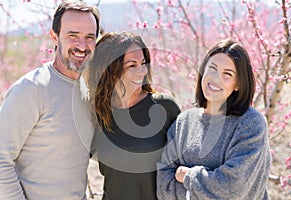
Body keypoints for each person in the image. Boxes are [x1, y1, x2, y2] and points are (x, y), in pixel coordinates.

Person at [0, 1, 100, 199]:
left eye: (89, 37)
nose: (82, 45)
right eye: (73, 35)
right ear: (54, 37)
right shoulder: (31, 89)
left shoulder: (90, 91)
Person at [157, 39, 272, 200]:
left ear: (238, 84)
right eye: (212, 68)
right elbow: (163, 186)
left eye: (227, 74)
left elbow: (234, 188)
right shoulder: (184, 122)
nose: (215, 78)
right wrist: (207, 187)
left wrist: (188, 175)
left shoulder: (250, 123)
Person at [84, 31, 181, 200]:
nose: (142, 71)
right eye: (132, 65)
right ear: (110, 70)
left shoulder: (164, 107)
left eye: (143, 63)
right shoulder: (98, 114)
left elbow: (189, 165)